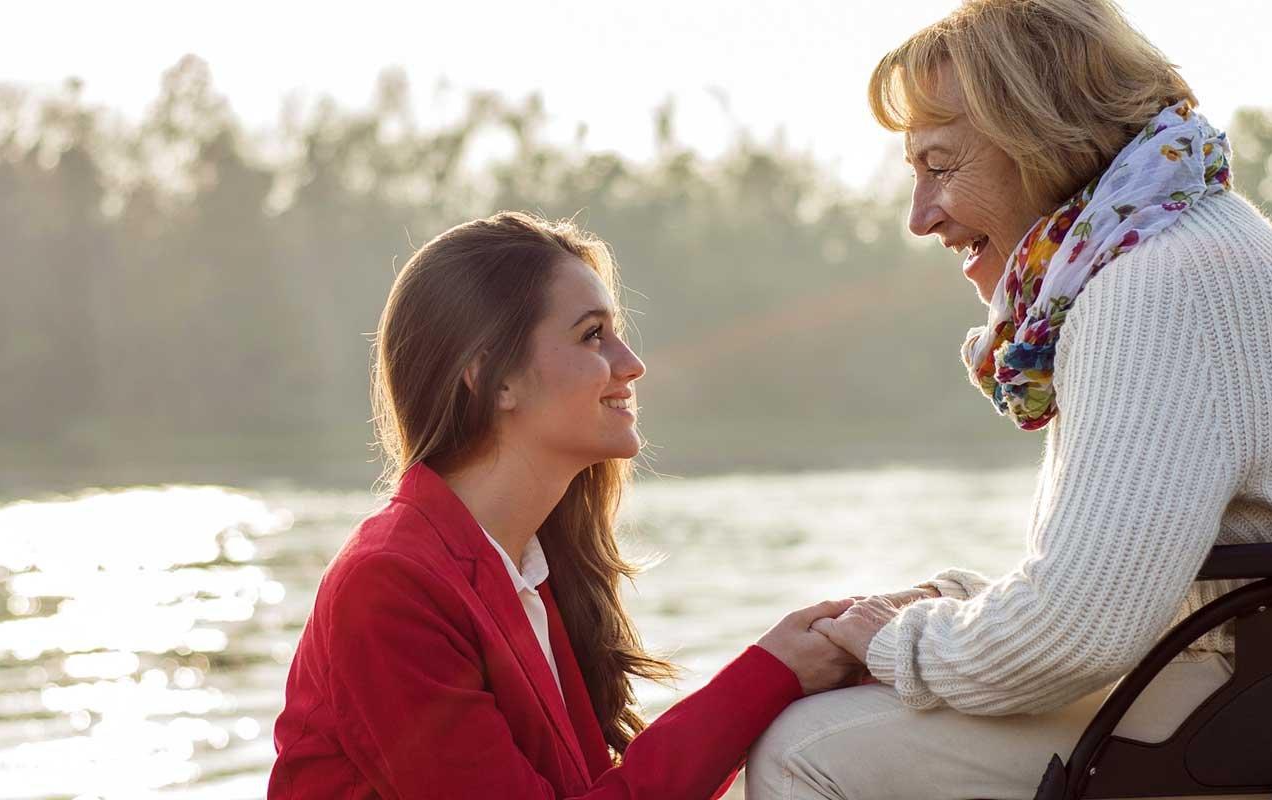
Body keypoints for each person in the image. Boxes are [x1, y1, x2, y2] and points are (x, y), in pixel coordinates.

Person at [744, 1, 1272, 797]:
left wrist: (895, 644)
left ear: (1041, 137)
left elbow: (1077, 633)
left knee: (808, 747)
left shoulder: (1158, 282)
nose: (920, 217)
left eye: (940, 166)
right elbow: (1128, 585)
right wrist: (952, 606)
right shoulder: (1174, 245)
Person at [270, 212, 866, 798]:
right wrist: (768, 675)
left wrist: (816, 666)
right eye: (592, 335)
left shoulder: (528, 567)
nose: (631, 364)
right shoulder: (389, 584)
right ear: (493, 378)